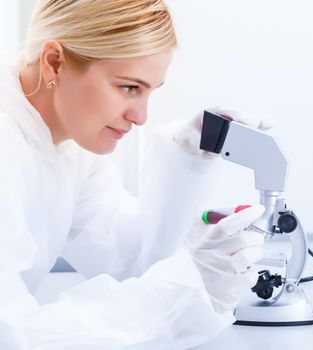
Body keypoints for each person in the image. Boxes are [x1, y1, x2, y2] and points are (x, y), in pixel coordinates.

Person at [0, 1, 273, 349]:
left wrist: (188, 163)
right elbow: (12, 334)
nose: (141, 117)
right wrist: (185, 284)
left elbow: (125, 255)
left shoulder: (68, 141)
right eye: (129, 87)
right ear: (54, 63)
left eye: (149, 91)